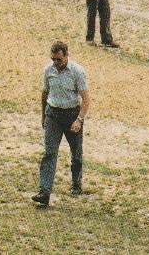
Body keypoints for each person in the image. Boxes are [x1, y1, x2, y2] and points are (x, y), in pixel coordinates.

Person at [32, 41, 90, 207]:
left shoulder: (77, 72)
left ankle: (76, 183)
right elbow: (44, 93)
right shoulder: (48, 70)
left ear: (66, 55)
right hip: (53, 114)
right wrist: (44, 116)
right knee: (49, 153)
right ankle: (44, 191)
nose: (56, 63)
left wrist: (79, 119)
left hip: (72, 114)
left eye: (59, 59)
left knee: (76, 153)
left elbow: (86, 99)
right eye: (53, 59)